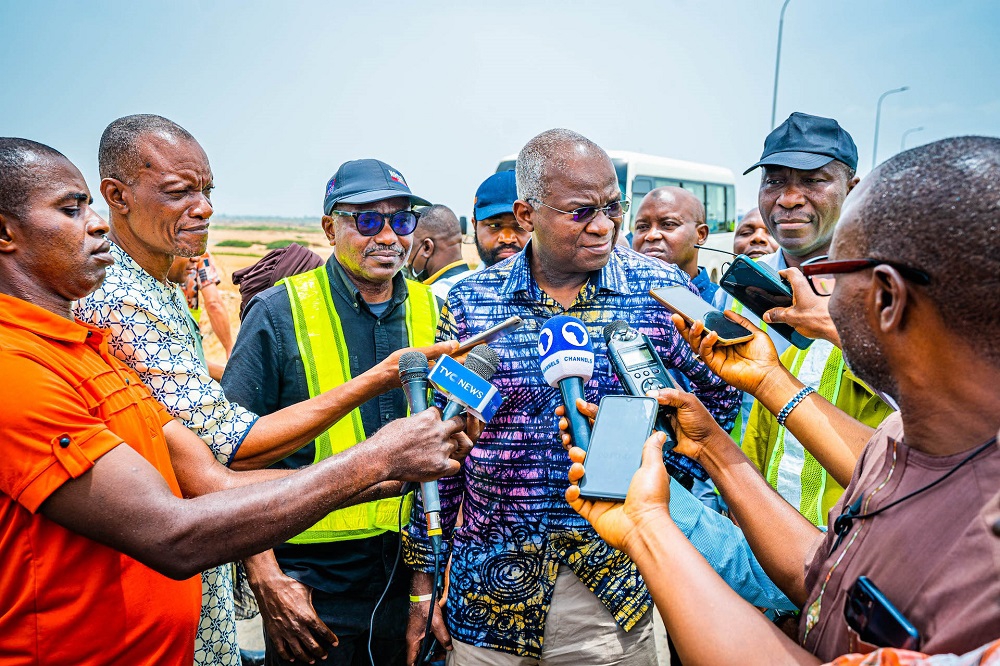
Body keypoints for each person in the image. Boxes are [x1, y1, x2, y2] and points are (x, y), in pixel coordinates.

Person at [0, 137, 470, 666]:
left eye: (401, 220)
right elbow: (176, 526)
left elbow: (212, 482)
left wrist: (389, 476)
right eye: (71, 208)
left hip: (382, 570)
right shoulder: (20, 368)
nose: (97, 223)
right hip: (305, 570)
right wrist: (377, 455)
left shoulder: (91, 349)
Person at [566, 136, 1000, 661]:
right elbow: (820, 577)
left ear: (887, 298)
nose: (814, 294)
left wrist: (647, 531)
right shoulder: (906, 444)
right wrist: (714, 445)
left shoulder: (984, 562)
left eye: (830, 272)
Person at [403, 129, 740, 665]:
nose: (604, 225)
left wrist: (645, 458)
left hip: (613, 597)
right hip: (487, 596)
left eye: (613, 207)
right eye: (581, 211)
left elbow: (718, 409)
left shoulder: (660, 290)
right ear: (526, 213)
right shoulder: (472, 302)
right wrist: (424, 587)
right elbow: (433, 458)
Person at [222, 158, 441, 666]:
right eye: (367, 221)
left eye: (402, 220)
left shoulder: (434, 311)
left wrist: (429, 583)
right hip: (310, 576)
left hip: (408, 571)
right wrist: (268, 578)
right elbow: (228, 458)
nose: (388, 236)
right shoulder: (280, 311)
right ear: (330, 228)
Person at [713, 114, 893, 525]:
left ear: (853, 190)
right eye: (774, 181)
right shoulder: (739, 285)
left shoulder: (891, 292)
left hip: (856, 541)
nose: (789, 199)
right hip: (753, 524)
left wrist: (835, 327)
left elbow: (929, 415)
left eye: (813, 181)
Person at [631, 186, 717, 302]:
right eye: (642, 227)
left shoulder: (722, 304)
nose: (651, 235)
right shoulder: (618, 299)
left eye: (668, 224)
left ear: (701, 234)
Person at [406, 204, 473, 299]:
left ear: (427, 247)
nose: (407, 263)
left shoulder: (431, 297)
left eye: (410, 250)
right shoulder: (486, 283)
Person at [470, 169, 530, 268]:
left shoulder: (562, 283)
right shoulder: (456, 284)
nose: (507, 239)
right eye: (495, 225)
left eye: (520, 226)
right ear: (474, 225)